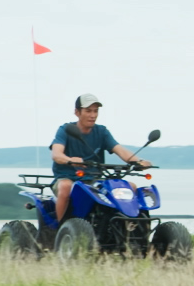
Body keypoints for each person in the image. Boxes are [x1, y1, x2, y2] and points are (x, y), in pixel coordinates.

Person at [49, 93, 153, 222]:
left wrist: (138, 161)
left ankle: (129, 227)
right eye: (88, 111)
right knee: (65, 186)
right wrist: (70, 160)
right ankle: (62, 230)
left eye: (95, 111)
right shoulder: (65, 130)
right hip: (67, 177)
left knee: (129, 186)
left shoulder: (101, 131)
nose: (93, 115)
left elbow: (120, 150)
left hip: (93, 179)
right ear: (77, 112)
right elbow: (56, 154)